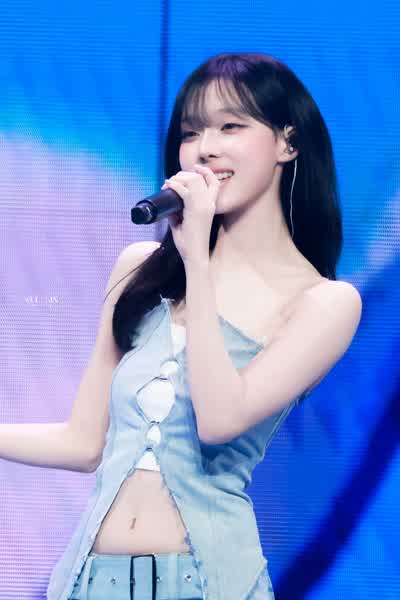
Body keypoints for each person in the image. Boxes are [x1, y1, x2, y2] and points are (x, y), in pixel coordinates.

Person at [1, 52, 362, 600]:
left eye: (230, 127)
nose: (205, 148)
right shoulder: (139, 271)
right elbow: (83, 441)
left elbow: (219, 419)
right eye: (191, 132)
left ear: (287, 143)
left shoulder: (325, 302)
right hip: (89, 581)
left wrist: (198, 260)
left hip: (207, 582)